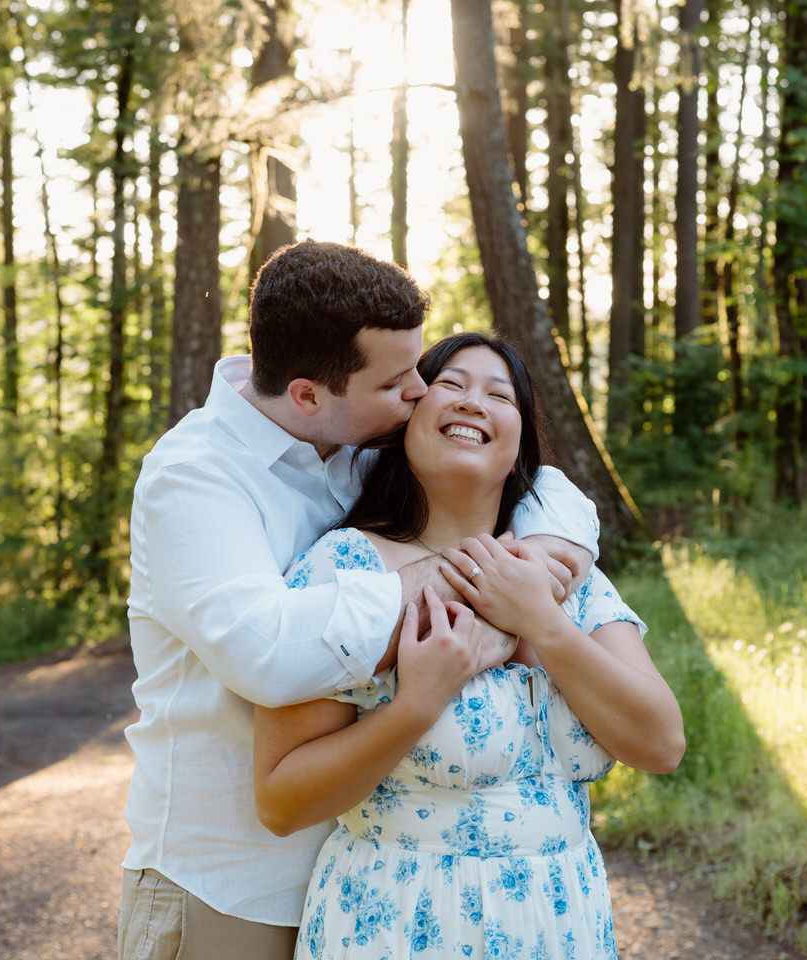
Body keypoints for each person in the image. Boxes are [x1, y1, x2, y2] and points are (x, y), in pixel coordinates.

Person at [119, 242, 603, 960]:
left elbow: (542, 482)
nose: (420, 392)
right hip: (228, 886)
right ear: (309, 393)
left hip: (354, 884)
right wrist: (477, 583)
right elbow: (269, 655)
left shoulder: (355, 436)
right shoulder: (194, 480)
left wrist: (540, 560)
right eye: (399, 380)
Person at [252, 332, 686, 959]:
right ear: (407, 423)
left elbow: (662, 743)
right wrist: (417, 704)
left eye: (499, 394)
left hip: (559, 923)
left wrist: (543, 622)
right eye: (450, 385)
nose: (471, 402)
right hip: (396, 921)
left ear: (519, 451)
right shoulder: (345, 571)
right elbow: (281, 801)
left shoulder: (572, 580)